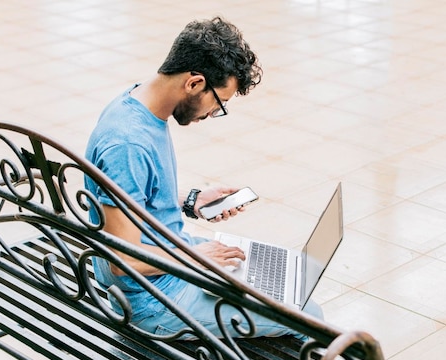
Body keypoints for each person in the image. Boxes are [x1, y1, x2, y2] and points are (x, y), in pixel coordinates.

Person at [85, 17, 322, 340]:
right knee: (309, 316)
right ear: (194, 83)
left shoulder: (136, 102)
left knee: (270, 270)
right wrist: (196, 258)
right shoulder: (129, 142)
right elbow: (123, 259)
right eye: (219, 103)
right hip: (154, 300)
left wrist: (191, 200)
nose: (213, 114)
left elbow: (134, 193)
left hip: (166, 258)